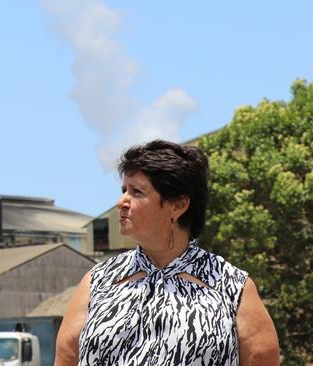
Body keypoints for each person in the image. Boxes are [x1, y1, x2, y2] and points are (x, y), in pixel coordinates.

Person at [55, 140, 279, 366]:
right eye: (124, 190)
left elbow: (262, 359)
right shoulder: (98, 282)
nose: (121, 202)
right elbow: (66, 359)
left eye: (137, 192)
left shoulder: (232, 286)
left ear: (178, 205)